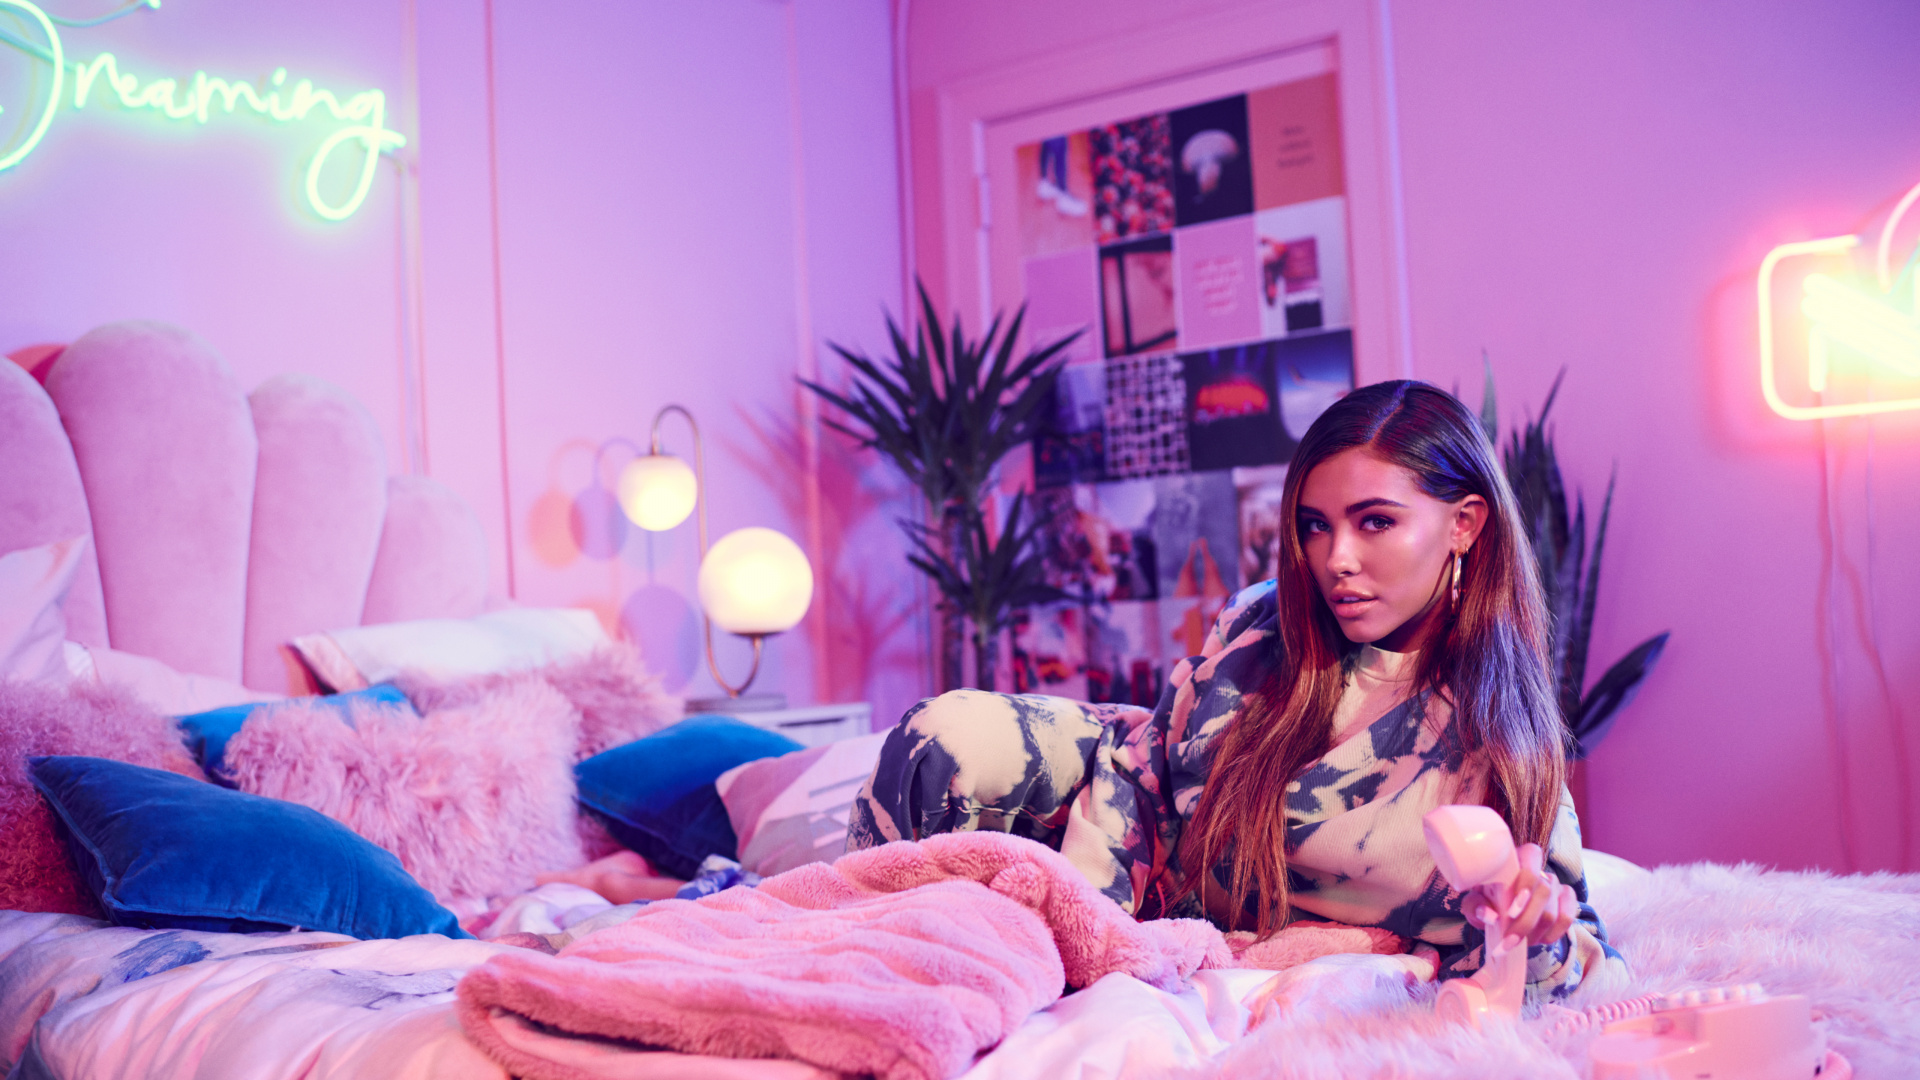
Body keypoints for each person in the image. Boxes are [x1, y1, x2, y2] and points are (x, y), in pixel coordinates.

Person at [847, 380, 1626, 1000]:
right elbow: (1141, 767)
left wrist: (1533, 934)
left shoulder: (1504, 746)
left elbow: (1578, 966)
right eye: (1315, 525)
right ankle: (856, 950)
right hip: (1113, 840)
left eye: (1375, 522)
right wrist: (1096, 941)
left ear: (1465, 524)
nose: (1336, 559)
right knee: (946, 734)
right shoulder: (1263, 620)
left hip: (1200, 927)